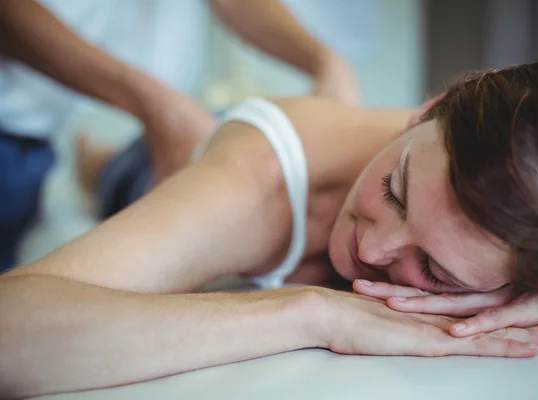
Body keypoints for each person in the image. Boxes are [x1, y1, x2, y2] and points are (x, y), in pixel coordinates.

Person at [2, 58, 538, 398]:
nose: (372, 246)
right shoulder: (250, 187)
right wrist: (313, 313)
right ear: (429, 107)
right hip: (181, 168)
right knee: (124, 173)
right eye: (395, 189)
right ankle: (96, 157)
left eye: (436, 270)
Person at [0, 0, 359, 272]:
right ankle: (97, 164)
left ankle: (99, 162)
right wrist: (153, 103)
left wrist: (325, 61)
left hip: (34, 136)